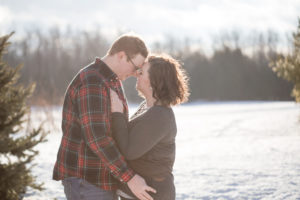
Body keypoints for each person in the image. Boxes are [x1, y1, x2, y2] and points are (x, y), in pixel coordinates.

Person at [53, 34, 156, 200]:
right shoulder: (93, 81)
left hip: (102, 178)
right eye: (135, 67)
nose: (135, 73)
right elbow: (97, 137)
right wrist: (129, 177)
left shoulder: (111, 81)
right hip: (86, 179)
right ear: (122, 55)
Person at [110, 54, 190, 200]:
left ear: (154, 80)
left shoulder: (160, 115)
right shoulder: (147, 107)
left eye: (142, 72)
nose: (137, 75)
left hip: (153, 193)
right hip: (143, 192)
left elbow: (129, 151)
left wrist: (117, 113)